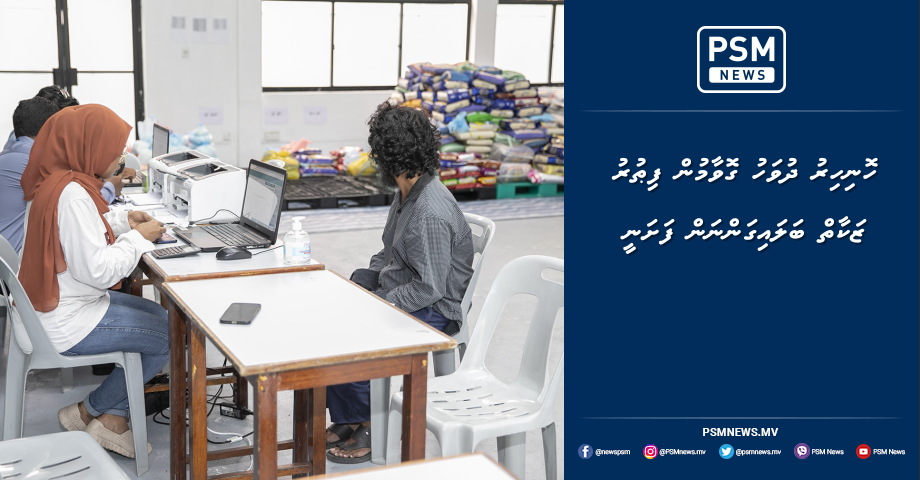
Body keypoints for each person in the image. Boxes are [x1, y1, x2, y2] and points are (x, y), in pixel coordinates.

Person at [325, 101, 475, 464]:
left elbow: (431, 288)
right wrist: (367, 278)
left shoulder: (429, 211)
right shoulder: (407, 189)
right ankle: (352, 415)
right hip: (406, 288)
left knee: (359, 333)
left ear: (386, 157)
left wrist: (382, 301)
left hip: (435, 307)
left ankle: (372, 424)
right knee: (332, 316)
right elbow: (389, 250)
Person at [17, 104, 168, 458]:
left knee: (159, 316)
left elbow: (80, 232)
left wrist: (123, 221)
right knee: (168, 337)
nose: (120, 157)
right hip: (65, 319)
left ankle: (99, 414)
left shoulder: (59, 182)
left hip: (58, 302)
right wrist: (138, 238)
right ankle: (98, 413)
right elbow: (99, 271)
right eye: (114, 149)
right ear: (89, 148)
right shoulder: (71, 196)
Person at [0, 97, 60, 252]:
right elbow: (73, 205)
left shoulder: (7, 154)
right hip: (15, 260)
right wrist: (110, 186)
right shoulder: (37, 163)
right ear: (49, 130)